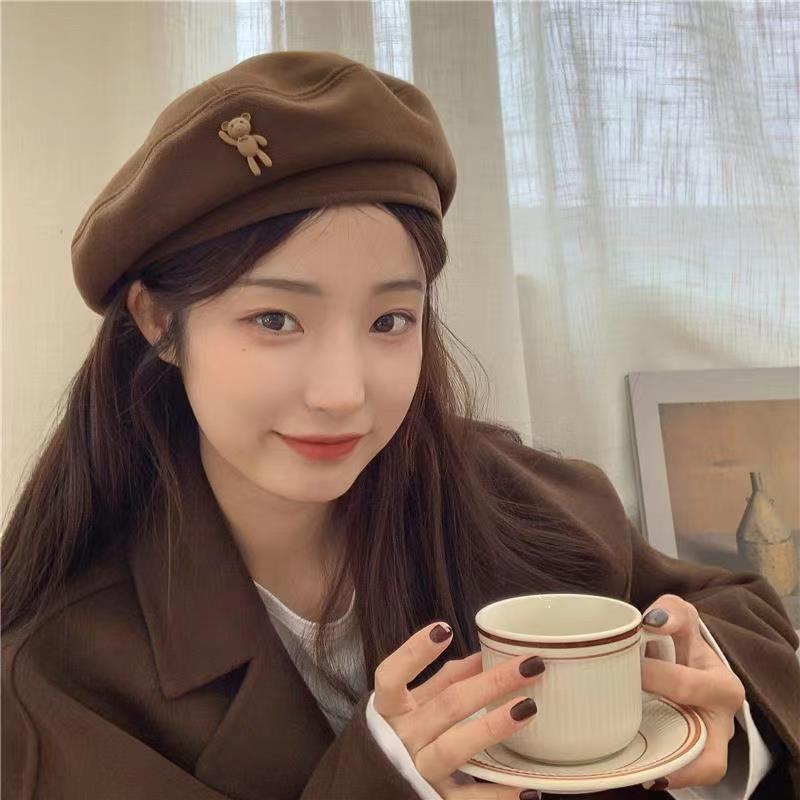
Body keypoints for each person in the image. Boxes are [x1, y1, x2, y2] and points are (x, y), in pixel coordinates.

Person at [2, 50, 798, 800]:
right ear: (157, 322)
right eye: (275, 319)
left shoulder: (521, 500)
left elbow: (730, 612)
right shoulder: (63, 677)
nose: (343, 393)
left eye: (389, 320)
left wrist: (721, 717)